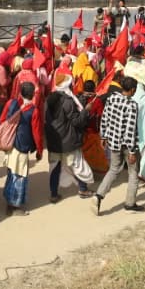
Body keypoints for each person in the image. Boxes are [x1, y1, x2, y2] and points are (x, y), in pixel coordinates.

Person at [94, 76, 143, 215]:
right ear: (132, 90)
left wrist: (103, 136)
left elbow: (105, 117)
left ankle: (98, 196)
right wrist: (132, 151)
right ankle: (130, 203)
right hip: (127, 145)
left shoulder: (112, 98)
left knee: (113, 169)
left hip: (113, 141)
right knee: (133, 172)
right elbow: (130, 130)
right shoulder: (132, 105)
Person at [45, 72, 94, 202]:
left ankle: (53, 194)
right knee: (77, 165)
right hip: (67, 139)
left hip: (54, 140)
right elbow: (76, 121)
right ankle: (83, 189)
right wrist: (86, 110)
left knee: (55, 168)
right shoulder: (68, 101)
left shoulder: (50, 99)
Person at [1, 81, 40, 216]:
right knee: (20, 175)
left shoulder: (11, 103)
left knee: (11, 172)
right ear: (33, 94)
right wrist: (39, 150)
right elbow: (36, 133)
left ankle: (9, 201)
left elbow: (2, 120)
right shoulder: (33, 110)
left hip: (10, 144)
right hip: (22, 146)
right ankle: (15, 206)